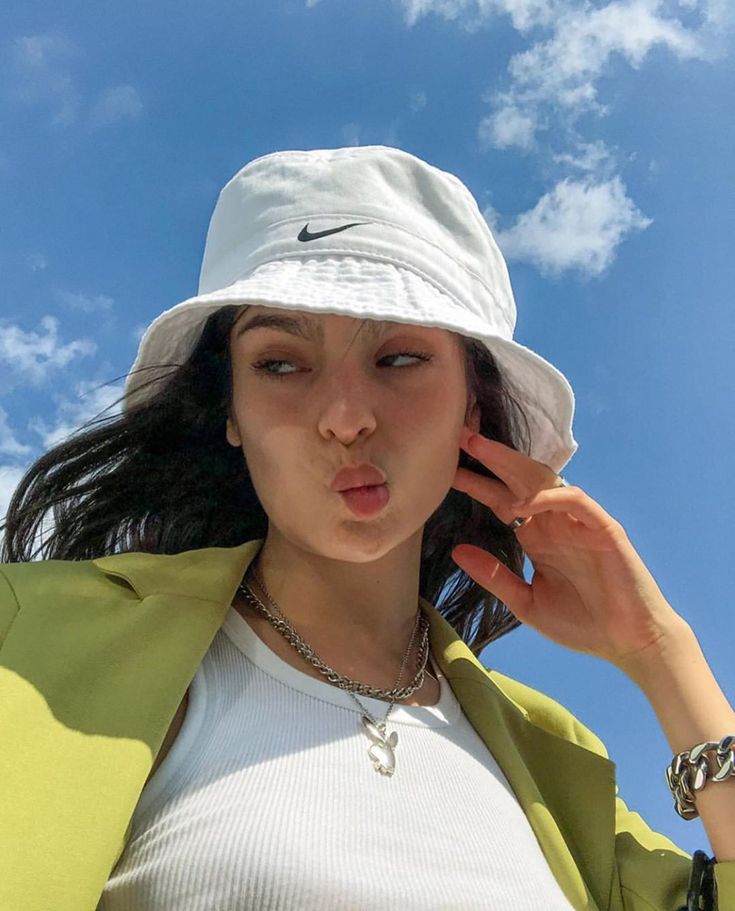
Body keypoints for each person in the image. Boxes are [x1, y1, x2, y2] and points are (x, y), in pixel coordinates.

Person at [0, 145, 732, 911]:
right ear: (231, 412)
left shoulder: (554, 759)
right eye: (280, 363)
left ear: (469, 413)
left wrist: (658, 651)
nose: (346, 417)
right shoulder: (28, 630)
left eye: (400, 356)